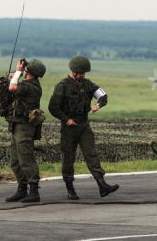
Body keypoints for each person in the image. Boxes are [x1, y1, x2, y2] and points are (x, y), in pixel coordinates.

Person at [48, 56, 119, 200]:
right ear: (73, 71)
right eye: (80, 73)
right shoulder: (62, 85)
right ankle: (70, 189)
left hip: (84, 125)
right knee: (68, 157)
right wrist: (66, 120)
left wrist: (97, 105)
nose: (83, 75)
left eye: (84, 73)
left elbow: (103, 96)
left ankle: (102, 185)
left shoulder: (87, 84)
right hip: (69, 128)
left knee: (91, 154)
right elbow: (53, 107)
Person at [5, 58, 46, 203]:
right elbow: (13, 85)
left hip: (25, 127)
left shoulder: (32, 86)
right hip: (17, 125)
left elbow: (13, 88)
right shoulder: (28, 84)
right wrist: (14, 76)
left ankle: (34, 191)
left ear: (28, 71)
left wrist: (17, 72)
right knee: (15, 161)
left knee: (26, 159)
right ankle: (22, 189)